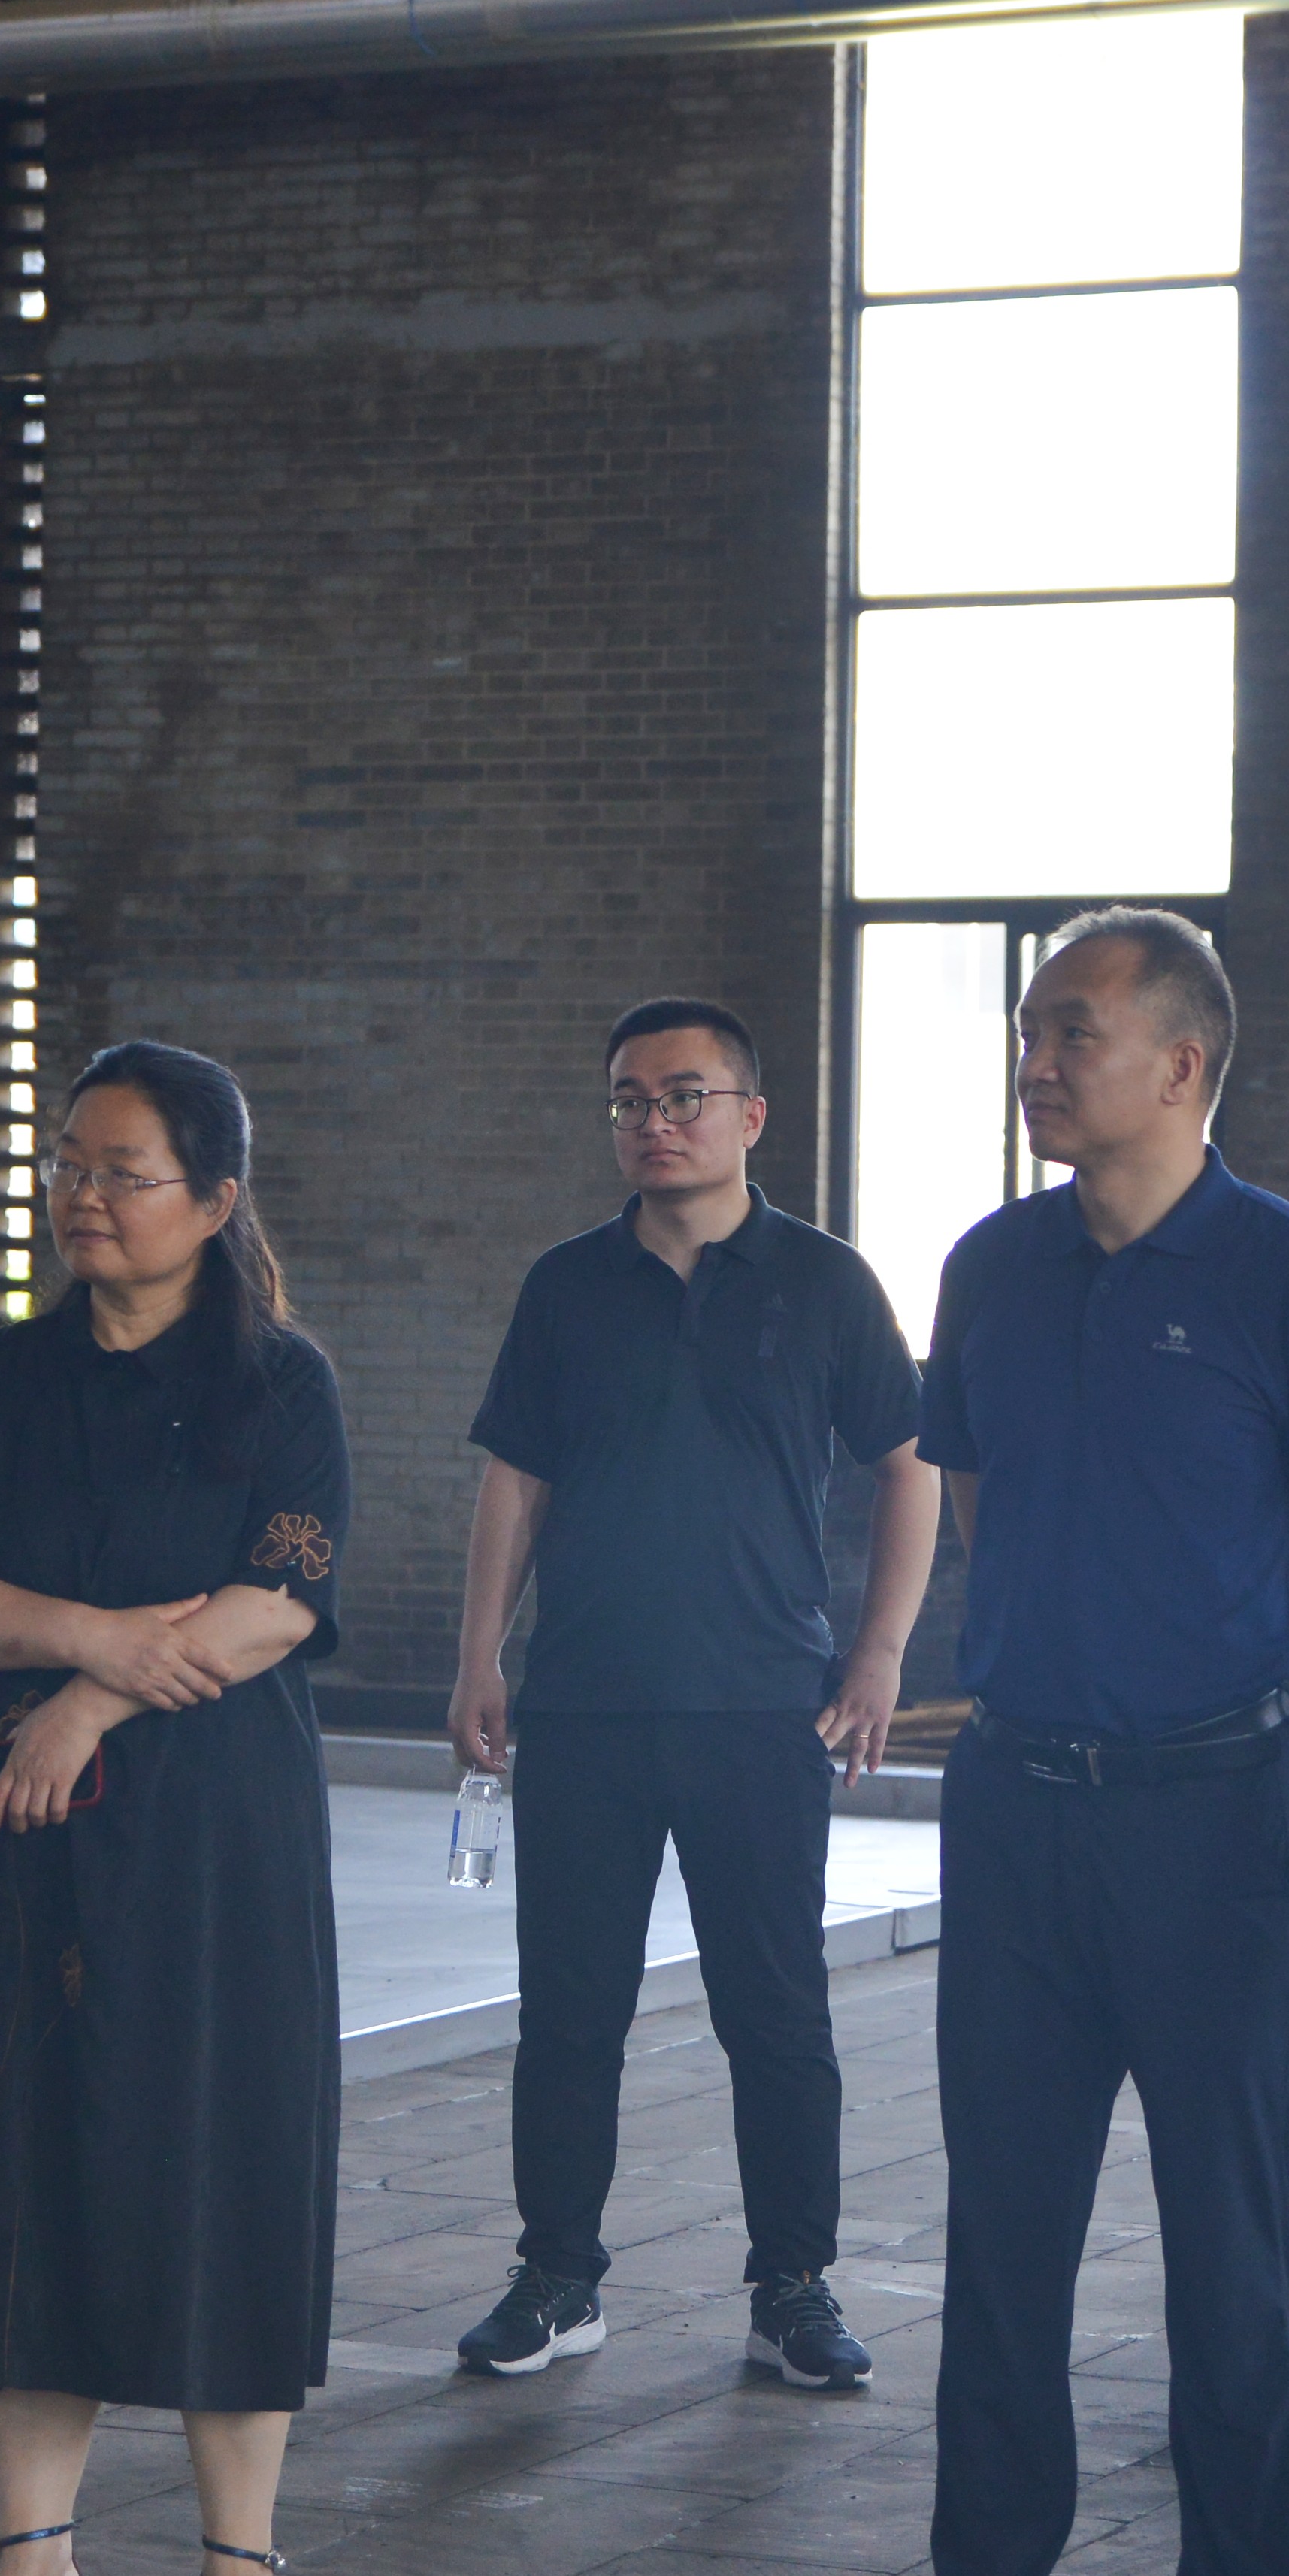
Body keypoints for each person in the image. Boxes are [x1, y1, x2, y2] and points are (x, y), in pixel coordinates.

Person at [897, 910, 1289, 2576]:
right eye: (1030, 1029)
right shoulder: (990, 1267)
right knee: (1003, 2239)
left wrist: (1251, 1708)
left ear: (1182, 1063)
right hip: (1019, 1810)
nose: (1035, 1060)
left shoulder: (1284, 1274)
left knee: (1227, 2241)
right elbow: (977, 1503)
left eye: (1071, 1032)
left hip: (1218, 1823)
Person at [0, 1042, 350, 2576]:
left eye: (126, 1171)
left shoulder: (279, 1379)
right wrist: (85, 1639)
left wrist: (89, 1698)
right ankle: (34, 2558)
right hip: (38, 1827)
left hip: (222, 1823)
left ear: (215, 1200)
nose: (85, 1195)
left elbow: (282, 1598)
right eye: (69, 1164)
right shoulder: (0, 1379)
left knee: (228, 2153)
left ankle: (241, 2569)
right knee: (34, 2155)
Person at [444, 996, 936, 2393]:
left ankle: (793, 2288)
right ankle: (557, 2278)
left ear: (749, 1116)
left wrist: (880, 1652)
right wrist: (481, 1653)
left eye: (683, 1096)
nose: (653, 1123)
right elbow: (516, 1478)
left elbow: (909, 1463)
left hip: (760, 1705)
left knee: (774, 2011)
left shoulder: (825, 1282)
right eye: (629, 1101)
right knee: (569, 2010)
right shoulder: (568, 1285)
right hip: (585, 1704)